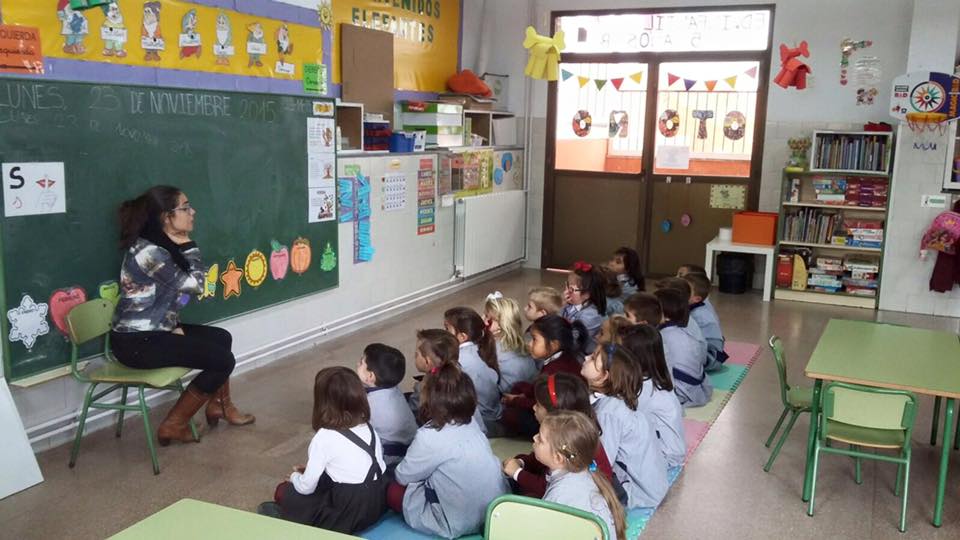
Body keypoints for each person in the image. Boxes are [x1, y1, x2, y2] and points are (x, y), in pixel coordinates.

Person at [110, 186, 252, 446]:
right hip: (135, 342)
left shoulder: (162, 246)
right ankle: (174, 424)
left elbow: (171, 296)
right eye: (185, 208)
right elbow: (196, 285)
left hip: (154, 331)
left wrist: (172, 325)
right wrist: (188, 244)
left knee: (221, 338)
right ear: (166, 217)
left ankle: (219, 405)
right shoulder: (149, 253)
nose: (192, 212)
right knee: (222, 361)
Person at [388, 364, 508, 538]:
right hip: (493, 512)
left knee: (393, 491)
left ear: (428, 399)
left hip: (457, 521)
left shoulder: (428, 436)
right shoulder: (471, 422)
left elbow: (403, 476)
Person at [261, 367, 386, 533]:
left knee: (284, 491)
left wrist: (294, 477)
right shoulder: (368, 426)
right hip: (375, 505)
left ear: (323, 401)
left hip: (346, 513)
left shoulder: (325, 437)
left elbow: (307, 487)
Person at [581, 343, 669, 508]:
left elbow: (603, 462)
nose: (586, 358)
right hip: (654, 486)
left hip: (638, 493)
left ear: (604, 376)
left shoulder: (608, 412)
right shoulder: (615, 400)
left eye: (593, 359)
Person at [502, 373, 616, 499]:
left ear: (556, 415)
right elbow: (538, 459)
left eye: (538, 405)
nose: (533, 407)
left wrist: (518, 473)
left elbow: (548, 487)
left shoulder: (571, 447)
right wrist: (521, 461)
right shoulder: (565, 436)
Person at [536, 411, 627, 540]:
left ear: (558, 458)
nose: (534, 438)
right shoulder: (586, 473)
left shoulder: (560, 495)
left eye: (540, 439)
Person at [500, 314, 586, 437]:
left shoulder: (555, 370)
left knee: (509, 416)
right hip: (548, 402)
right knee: (519, 386)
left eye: (534, 339)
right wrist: (522, 395)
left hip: (558, 419)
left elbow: (543, 404)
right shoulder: (563, 358)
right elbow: (537, 389)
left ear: (554, 345)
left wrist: (515, 400)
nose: (529, 344)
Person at [620, 325, 686, 469]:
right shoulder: (648, 383)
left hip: (665, 458)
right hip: (665, 452)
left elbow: (675, 454)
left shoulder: (650, 392)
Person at [357, 343, 418, 466]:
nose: (358, 363)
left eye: (361, 362)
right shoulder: (390, 386)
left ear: (370, 376)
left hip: (392, 458)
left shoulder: (370, 407)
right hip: (409, 442)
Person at [443, 307, 502, 431]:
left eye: (447, 329)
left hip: (484, 422)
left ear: (462, 336)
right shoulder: (480, 348)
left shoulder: (459, 361)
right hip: (495, 413)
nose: (444, 334)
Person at [654, 288, 712, 408]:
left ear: (665, 315)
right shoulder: (684, 331)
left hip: (682, 391)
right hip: (699, 387)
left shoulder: (663, 335)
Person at [484, 293, 538, 394]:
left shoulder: (503, 358)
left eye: (488, 318)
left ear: (502, 325)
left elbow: (506, 392)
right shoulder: (516, 342)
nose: (484, 320)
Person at [682, 272, 728, 371]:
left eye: (685, 291)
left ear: (696, 299)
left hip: (711, 356)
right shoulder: (690, 307)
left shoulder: (699, 315)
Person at [561, 262, 607, 354]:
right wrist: (562, 305)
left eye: (571, 289)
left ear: (586, 294)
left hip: (581, 354)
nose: (566, 291)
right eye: (567, 285)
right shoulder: (570, 304)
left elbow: (573, 342)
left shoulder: (591, 316)